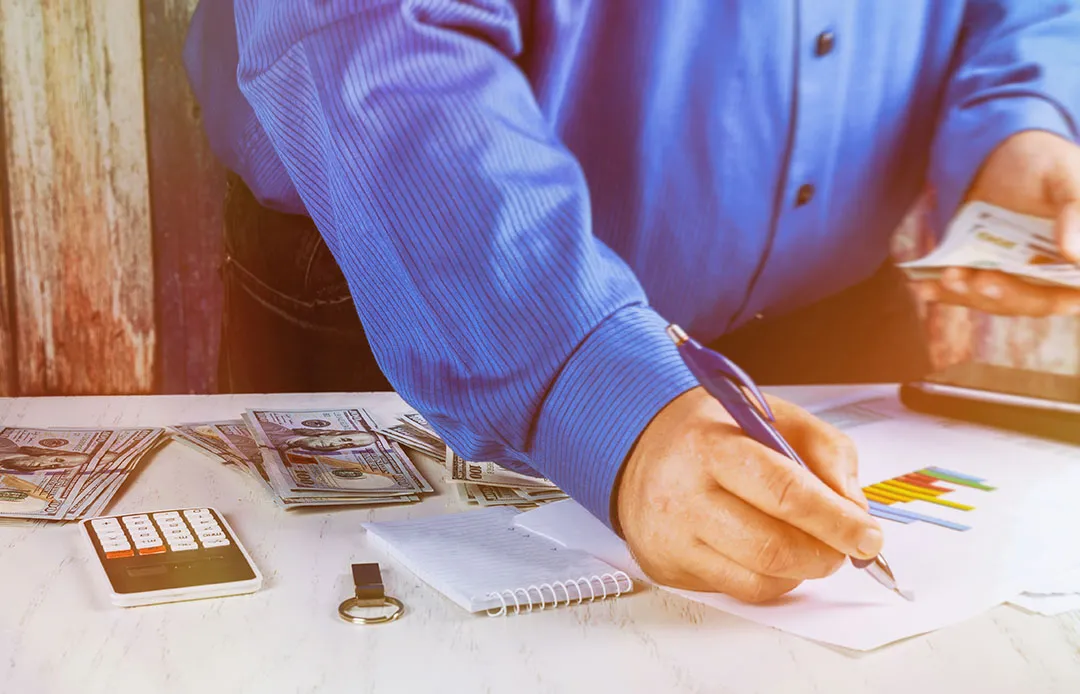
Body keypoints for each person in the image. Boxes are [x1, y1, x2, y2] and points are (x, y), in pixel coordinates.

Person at [184, 2, 1080, 603]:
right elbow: (375, 37)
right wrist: (592, 391)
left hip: (840, 305)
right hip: (427, 296)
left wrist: (1026, 107)